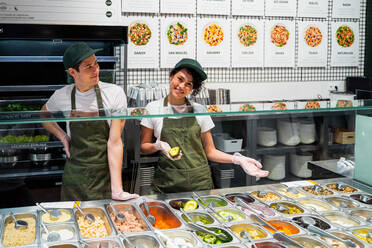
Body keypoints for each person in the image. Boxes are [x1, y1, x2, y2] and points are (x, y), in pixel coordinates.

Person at [140, 58, 269, 194]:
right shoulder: (153, 108)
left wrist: (238, 160)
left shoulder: (199, 110)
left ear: (192, 89)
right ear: (171, 76)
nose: (182, 86)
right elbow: (143, 148)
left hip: (199, 183)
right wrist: (157, 145)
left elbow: (210, 151)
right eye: (180, 79)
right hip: (167, 183)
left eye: (189, 84)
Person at [41, 42, 138, 201]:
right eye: (88, 67)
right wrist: (63, 136)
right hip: (74, 177)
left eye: (96, 64)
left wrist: (117, 189)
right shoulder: (62, 95)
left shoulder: (114, 93)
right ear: (73, 72)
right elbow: (44, 115)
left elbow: (114, 142)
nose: (96, 70)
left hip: (102, 176)